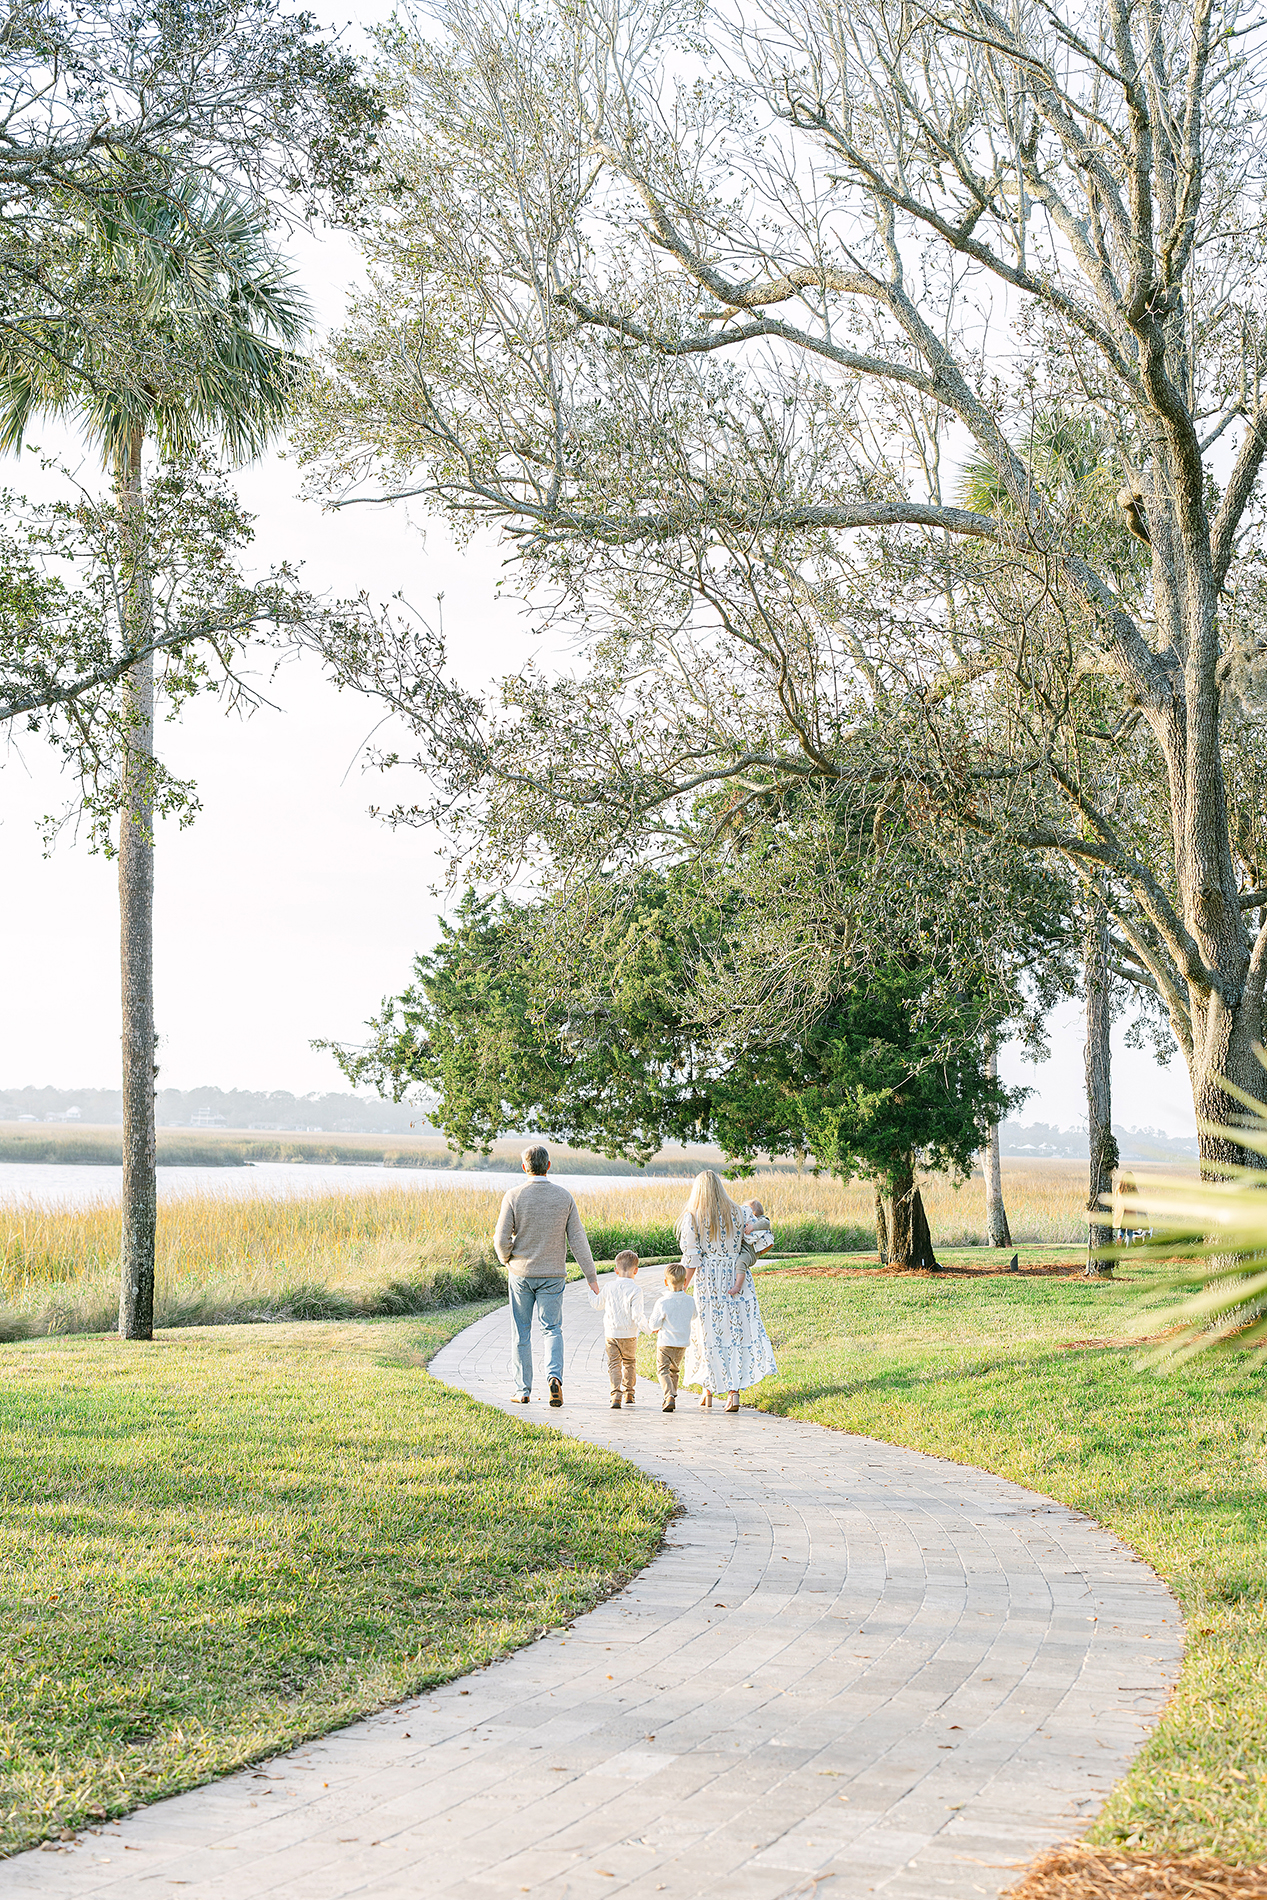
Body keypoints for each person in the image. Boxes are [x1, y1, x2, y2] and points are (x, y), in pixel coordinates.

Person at [494, 1144, 598, 1406]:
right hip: (553, 1275)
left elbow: (500, 1239)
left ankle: (523, 1390)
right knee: (552, 1329)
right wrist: (591, 1277)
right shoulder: (564, 1197)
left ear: (524, 1167)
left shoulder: (514, 1195)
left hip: (521, 1273)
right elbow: (577, 1239)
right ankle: (554, 1378)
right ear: (548, 1166)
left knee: (522, 1332)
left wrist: (506, 1259)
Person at [680, 1170, 777, 1413]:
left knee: (709, 1334)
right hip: (737, 1277)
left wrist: (681, 1287)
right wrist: (745, 1258)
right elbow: (766, 1240)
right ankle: (733, 1393)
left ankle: (709, 1390)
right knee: (736, 1333)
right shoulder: (741, 1211)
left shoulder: (693, 1217)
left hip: (708, 1281)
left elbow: (691, 1259)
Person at [590, 1248, 647, 1408]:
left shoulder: (608, 1287)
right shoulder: (636, 1290)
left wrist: (591, 1293)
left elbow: (597, 1305)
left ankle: (615, 1395)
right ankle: (629, 1393)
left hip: (611, 1334)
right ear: (636, 1271)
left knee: (614, 1364)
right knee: (629, 1362)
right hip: (629, 1334)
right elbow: (637, 1315)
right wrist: (648, 1328)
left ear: (616, 1270)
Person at [647, 1263, 696, 1412]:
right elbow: (694, 1316)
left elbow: (653, 1324)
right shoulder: (690, 1301)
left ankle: (668, 1396)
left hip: (665, 1343)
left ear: (665, 1282)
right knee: (674, 1370)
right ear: (685, 1281)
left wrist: (658, 1326)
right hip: (682, 1343)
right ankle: (673, 1396)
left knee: (663, 1370)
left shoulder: (663, 1302)